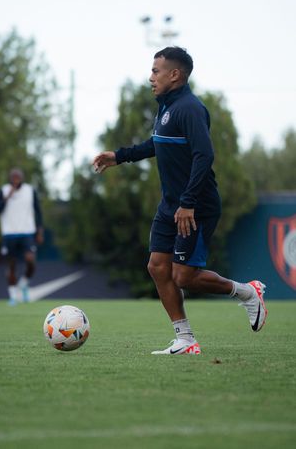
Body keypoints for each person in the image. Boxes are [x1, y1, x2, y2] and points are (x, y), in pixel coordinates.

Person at [93, 46, 267, 355]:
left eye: (155, 71)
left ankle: (247, 293)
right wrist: (119, 156)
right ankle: (185, 339)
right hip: (171, 205)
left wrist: (188, 203)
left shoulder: (189, 108)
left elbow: (204, 155)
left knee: (184, 276)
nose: (150, 78)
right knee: (158, 267)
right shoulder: (166, 107)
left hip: (195, 205)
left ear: (175, 74)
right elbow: (156, 145)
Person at [0, 168, 44, 304]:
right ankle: (13, 296)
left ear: (22, 178)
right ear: (10, 178)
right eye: (13, 177)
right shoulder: (3, 190)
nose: (16, 179)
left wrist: (39, 230)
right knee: (11, 266)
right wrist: (7, 197)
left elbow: (38, 211)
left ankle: (24, 284)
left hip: (27, 232)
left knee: (31, 261)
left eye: (18, 177)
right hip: (9, 234)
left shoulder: (29, 190)